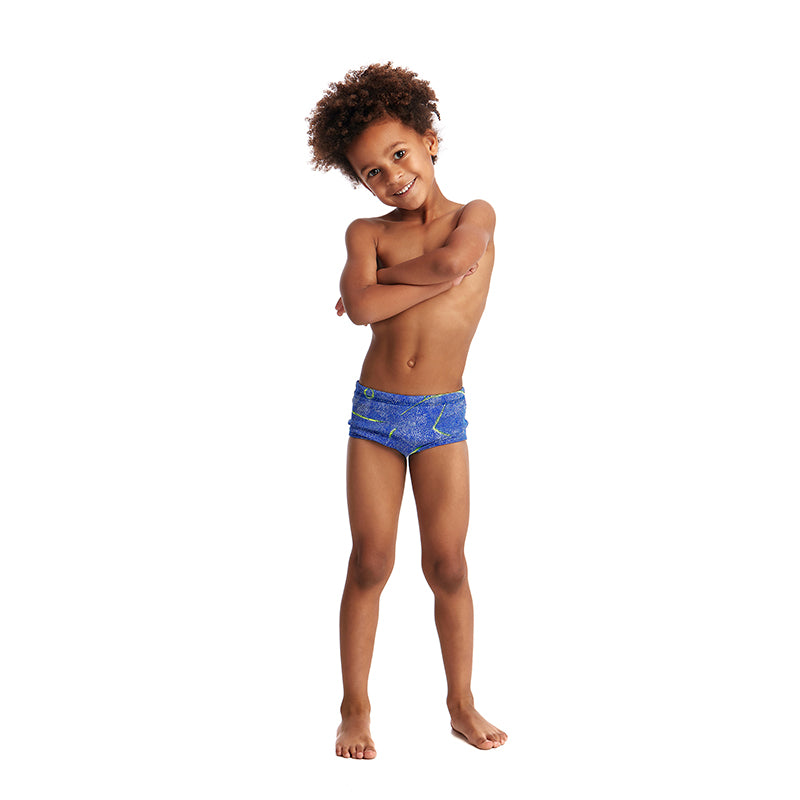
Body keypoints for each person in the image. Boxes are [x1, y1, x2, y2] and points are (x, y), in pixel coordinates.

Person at [307, 63, 506, 759]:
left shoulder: (475, 215)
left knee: (448, 565)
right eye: (372, 171)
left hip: (442, 416)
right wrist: (371, 290)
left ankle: (461, 702)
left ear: (430, 141)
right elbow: (362, 311)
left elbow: (452, 264)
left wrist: (379, 283)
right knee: (371, 561)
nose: (391, 176)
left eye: (399, 154)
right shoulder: (365, 231)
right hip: (377, 417)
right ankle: (354, 708)